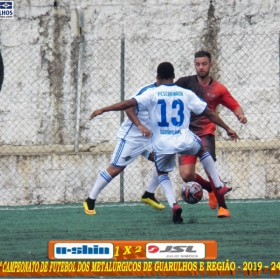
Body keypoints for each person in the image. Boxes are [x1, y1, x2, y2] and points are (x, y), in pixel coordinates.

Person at [88, 62, 239, 224]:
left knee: (161, 172)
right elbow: (208, 112)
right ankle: (217, 184)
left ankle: (174, 204)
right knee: (201, 151)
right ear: (174, 76)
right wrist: (227, 128)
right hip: (184, 139)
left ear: (157, 77)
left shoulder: (152, 93)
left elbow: (128, 104)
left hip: (162, 144)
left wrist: (103, 109)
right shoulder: (185, 93)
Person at [174, 50, 247, 218]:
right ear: (195, 65)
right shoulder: (185, 83)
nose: (201, 67)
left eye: (204, 64)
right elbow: (168, 91)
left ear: (210, 65)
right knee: (186, 175)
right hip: (186, 134)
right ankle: (209, 189)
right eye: (198, 64)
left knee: (209, 169)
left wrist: (240, 115)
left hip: (206, 134)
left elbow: (234, 105)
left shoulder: (218, 89)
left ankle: (223, 207)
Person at [83, 82, 170, 217]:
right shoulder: (147, 91)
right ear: (158, 78)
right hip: (131, 138)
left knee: (164, 160)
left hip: (149, 139)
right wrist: (139, 125)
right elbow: (128, 107)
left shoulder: (171, 92)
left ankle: (149, 194)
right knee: (116, 169)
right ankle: (90, 200)